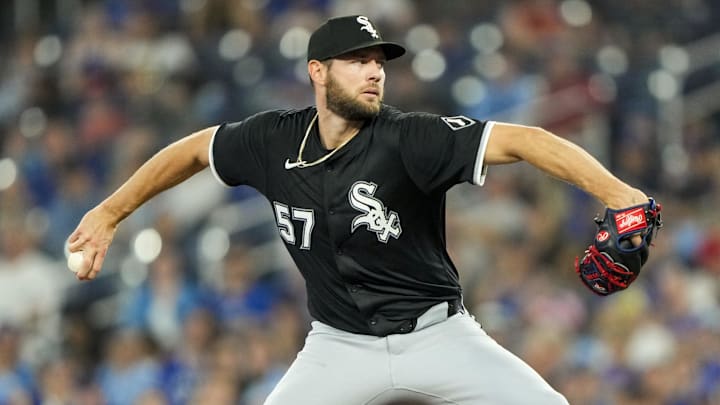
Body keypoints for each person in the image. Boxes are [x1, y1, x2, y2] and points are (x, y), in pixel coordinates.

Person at [68, 15, 651, 404]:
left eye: (379, 60)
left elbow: (524, 140)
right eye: (357, 59)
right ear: (318, 71)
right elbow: (194, 150)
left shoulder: (410, 138)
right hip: (337, 345)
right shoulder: (272, 140)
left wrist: (619, 195)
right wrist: (110, 213)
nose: (375, 70)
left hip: (439, 337)